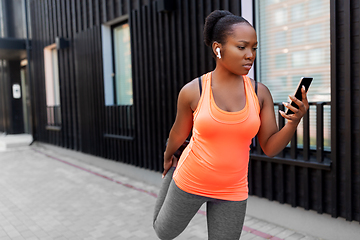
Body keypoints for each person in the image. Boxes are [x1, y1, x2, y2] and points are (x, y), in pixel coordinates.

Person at [153, 10, 309, 240]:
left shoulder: (260, 93)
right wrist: (169, 157)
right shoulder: (193, 90)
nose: (250, 55)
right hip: (190, 179)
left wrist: (293, 123)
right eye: (242, 47)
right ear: (218, 48)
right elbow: (178, 132)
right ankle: (175, 171)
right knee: (164, 232)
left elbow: (269, 147)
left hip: (232, 190)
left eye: (254, 48)